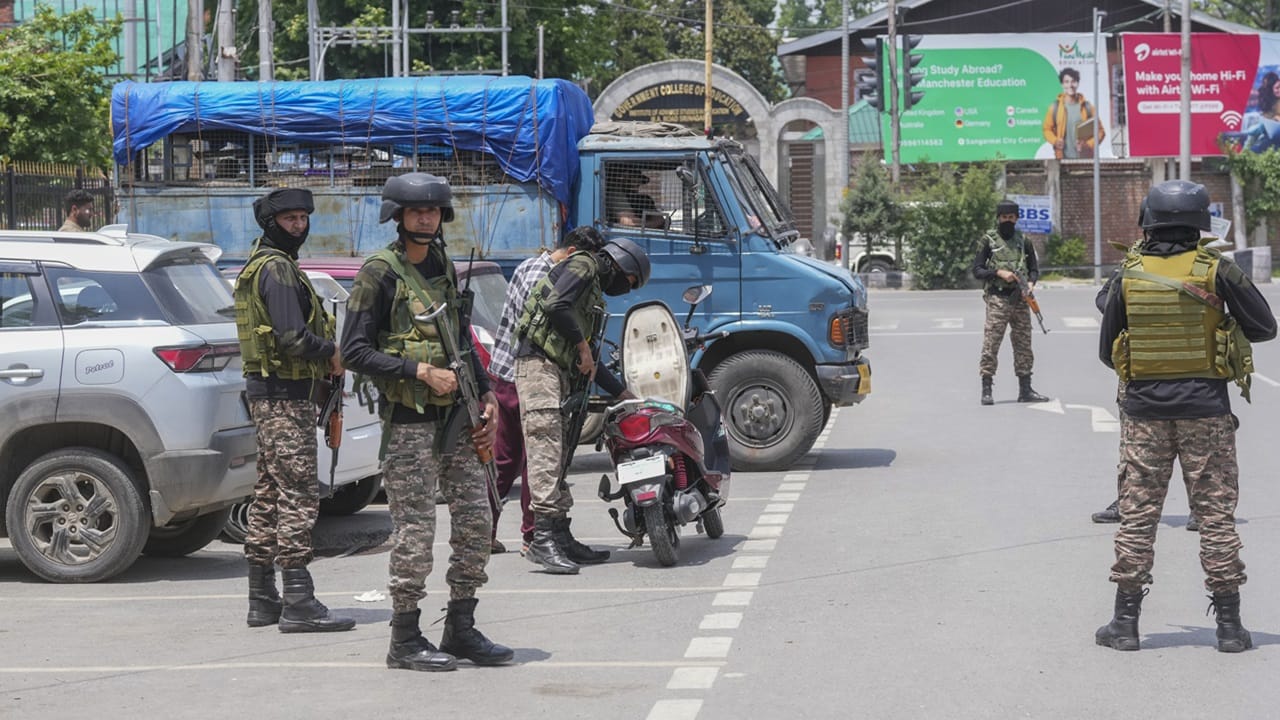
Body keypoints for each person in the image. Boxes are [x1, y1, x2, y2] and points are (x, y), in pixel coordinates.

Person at [1094, 179, 1276, 653]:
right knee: (1216, 517)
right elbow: (1264, 328)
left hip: (1144, 412)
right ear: (1201, 223)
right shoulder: (1219, 269)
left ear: (1147, 221)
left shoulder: (1128, 273)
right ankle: (1231, 629)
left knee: (1137, 517)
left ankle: (1125, 624)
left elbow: (1105, 351)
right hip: (1206, 411)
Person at [341, 172, 512, 672]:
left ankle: (461, 626)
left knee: (478, 524)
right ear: (397, 216)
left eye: (433, 211)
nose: (425, 218)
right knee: (415, 535)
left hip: (457, 418)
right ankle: (405, 637)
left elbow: (460, 339)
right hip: (410, 421)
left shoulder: (441, 265)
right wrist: (417, 370)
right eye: (416, 211)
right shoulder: (379, 273)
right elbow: (353, 351)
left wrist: (486, 396)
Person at [232, 187, 355, 634]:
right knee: (299, 495)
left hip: (273, 394)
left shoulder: (264, 263)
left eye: (304, 217)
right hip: (284, 396)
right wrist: (333, 352)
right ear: (270, 222)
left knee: (268, 494)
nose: (299, 226)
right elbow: (291, 337)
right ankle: (299, 600)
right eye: (290, 219)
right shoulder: (279, 270)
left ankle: (262, 599)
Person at [515, 236, 650, 574]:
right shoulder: (585, 263)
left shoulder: (590, 293)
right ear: (620, 265)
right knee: (546, 450)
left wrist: (622, 394)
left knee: (559, 454)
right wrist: (583, 347)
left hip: (556, 370)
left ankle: (560, 535)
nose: (626, 288)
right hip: (538, 367)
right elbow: (556, 305)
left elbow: (589, 360)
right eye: (629, 281)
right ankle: (542, 540)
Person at [487, 226, 607, 557]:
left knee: (510, 460)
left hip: (508, 373)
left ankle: (487, 533)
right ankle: (532, 536)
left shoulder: (530, 267)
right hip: (524, 374)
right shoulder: (545, 273)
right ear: (572, 254)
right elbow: (545, 326)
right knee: (537, 457)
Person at [1090, 199, 1197, 531]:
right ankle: (1126, 501)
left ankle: (1201, 508)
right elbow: (1104, 298)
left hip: (1191, 363)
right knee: (1134, 443)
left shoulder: (1204, 262)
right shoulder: (1134, 260)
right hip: (1143, 363)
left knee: (1199, 447)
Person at [972, 199, 1048, 405]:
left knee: (1023, 344)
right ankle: (986, 389)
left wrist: (1031, 284)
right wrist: (998, 272)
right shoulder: (989, 240)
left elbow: (1033, 268)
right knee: (991, 343)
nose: (1007, 221)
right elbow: (977, 270)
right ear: (998, 218)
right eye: (1004, 217)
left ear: (1016, 218)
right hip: (998, 298)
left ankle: (1025, 389)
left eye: (1011, 217)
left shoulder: (1024, 241)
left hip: (1020, 299)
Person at [1042, 67, 1105, 160]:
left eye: (1073, 81)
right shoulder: (1055, 107)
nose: (1070, 85)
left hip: (1085, 161)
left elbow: (1100, 132)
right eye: (1066, 82)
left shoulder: (1088, 107)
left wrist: (1088, 145)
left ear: (1077, 83)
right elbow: (1046, 129)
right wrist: (1055, 141)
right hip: (1062, 161)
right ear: (1062, 84)